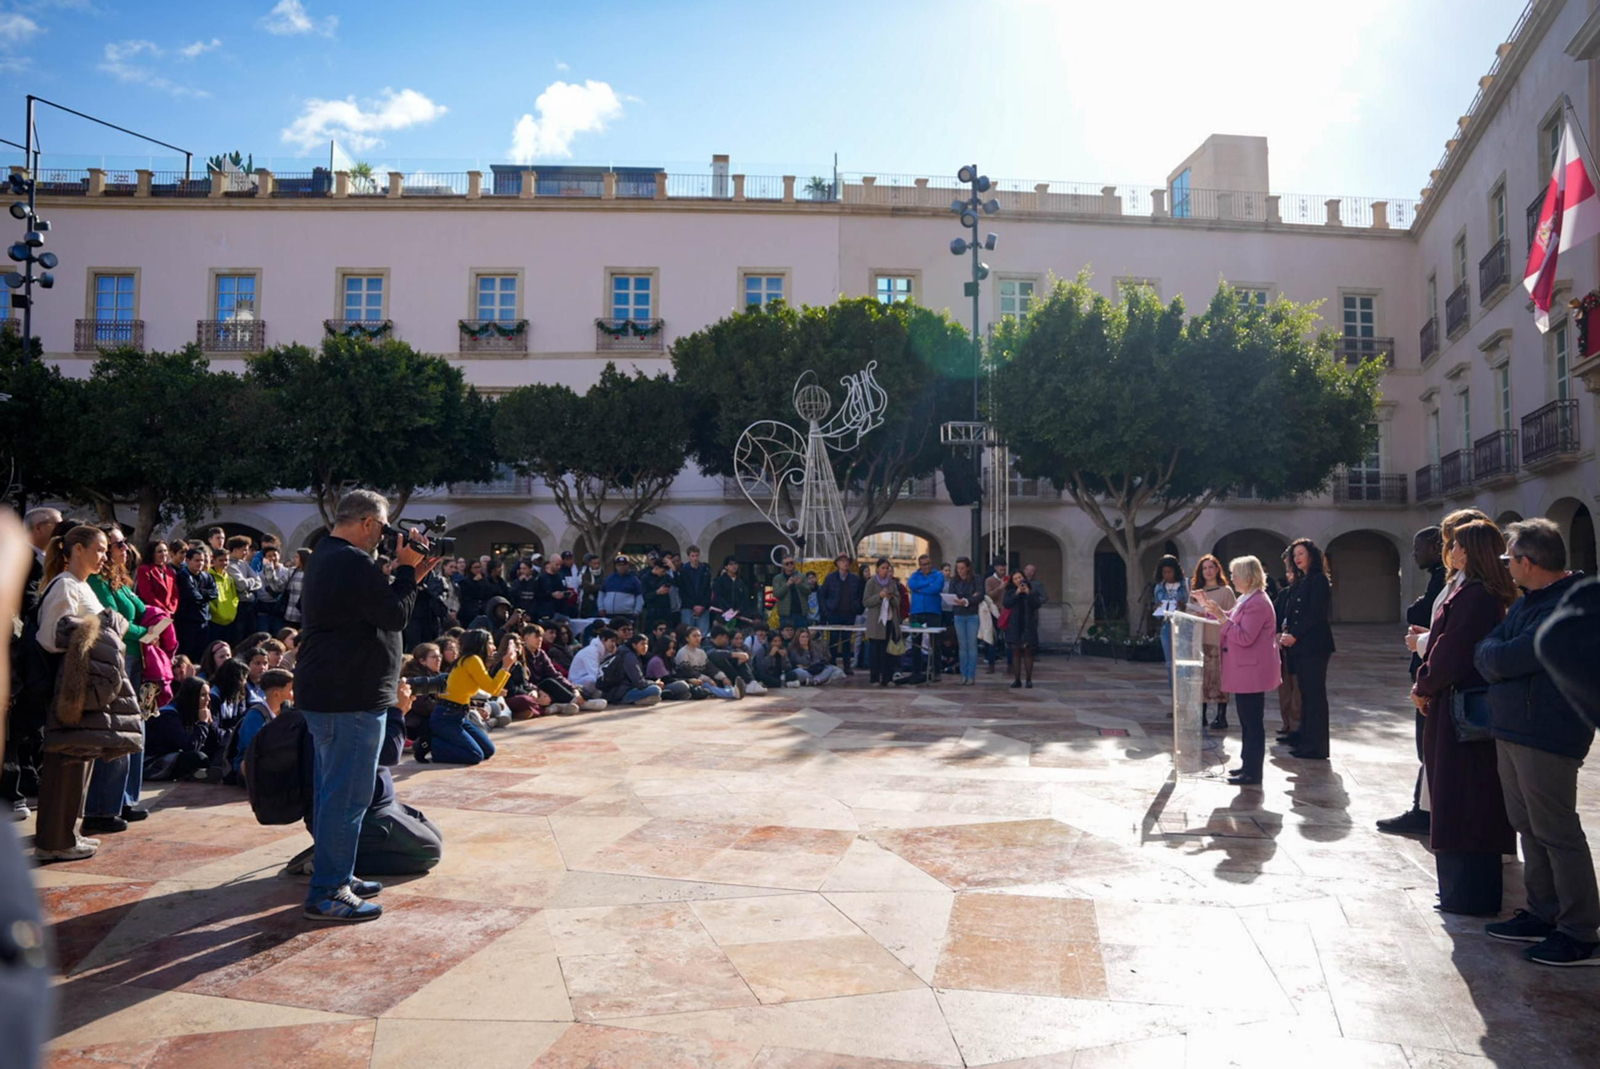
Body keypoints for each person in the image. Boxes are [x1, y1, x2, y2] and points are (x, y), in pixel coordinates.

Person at [293, 489, 437, 923]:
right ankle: (328, 892)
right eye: (384, 527)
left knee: (335, 792)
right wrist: (406, 571)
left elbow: (376, 609)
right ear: (368, 523)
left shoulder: (329, 555)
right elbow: (394, 616)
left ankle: (339, 874)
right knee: (347, 797)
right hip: (349, 698)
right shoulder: (351, 561)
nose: (385, 536)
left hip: (335, 694)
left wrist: (412, 575)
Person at [1475, 518, 1599, 966]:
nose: (1505, 566)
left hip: (1548, 734)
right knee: (1527, 825)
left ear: (1527, 562)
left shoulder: (1569, 605)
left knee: (1557, 831)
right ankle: (1544, 913)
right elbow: (1490, 648)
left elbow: (1513, 655)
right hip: (1513, 729)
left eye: (1509, 559)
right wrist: (1496, 656)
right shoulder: (1529, 601)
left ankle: (1580, 932)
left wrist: (1495, 656)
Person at [1411, 520, 1516, 917]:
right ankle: (1460, 890)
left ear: (1471, 551)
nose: (1450, 551)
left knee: (1463, 797)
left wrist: (1424, 684)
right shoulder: (1474, 591)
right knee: (1461, 795)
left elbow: (1451, 651)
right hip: (1455, 704)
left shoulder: (1475, 596)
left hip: (1460, 709)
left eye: (1456, 545)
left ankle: (1467, 894)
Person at [34, 524, 145, 861]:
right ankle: (55, 841)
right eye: (98, 549)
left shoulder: (80, 585)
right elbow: (50, 637)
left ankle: (68, 835)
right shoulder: (65, 585)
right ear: (77, 550)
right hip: (70, 687)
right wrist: (104, 627)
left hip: (84, 686)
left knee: (78, 760)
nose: (104, 556)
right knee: (65, 763)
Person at [82, 525, 153, 833]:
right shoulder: (96, 582)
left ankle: (123, 799)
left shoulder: (120, 579)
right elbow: (114, 622)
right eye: (118, 544)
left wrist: (156, 622)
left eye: (124, 542)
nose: (126, 548)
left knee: (136, 728)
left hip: (137, 659)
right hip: (118, 659)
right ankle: (102, 807)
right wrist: (148, 632)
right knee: (117, 730)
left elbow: (140, 608)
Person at [1378, 525, 1448, 836]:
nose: (1414, 553)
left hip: (1434, 675)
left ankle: (1425, 812)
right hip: (1427, 671)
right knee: (1426, 748)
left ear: (1435, 547)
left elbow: (1419, 613)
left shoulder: (1443, 578)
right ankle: (1425, 809)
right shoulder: (1440, 577)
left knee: (1428, 747)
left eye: (1418, 548)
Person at [1194, 556, 1278, 786]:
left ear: (1248, 577)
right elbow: (1231, 617)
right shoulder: (1246, 598)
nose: (1232, 578)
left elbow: (1244, 636)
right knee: (1246, 721)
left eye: (1235, 574)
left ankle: (1253, 772)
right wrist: (1209, 607)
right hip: (1245, 670)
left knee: (1252, 722)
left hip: (1252, 671)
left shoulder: (1258, 602)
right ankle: (1247, 765)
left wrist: (1221, 617)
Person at [1278, 538, 1334, 761]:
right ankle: (1304, 738)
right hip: (1301, 647)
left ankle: (1316, 746)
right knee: (1306, 695)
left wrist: (1295, 634)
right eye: (1295, 555)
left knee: (1314, 696)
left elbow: (1316, 614)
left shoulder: (1319, 580)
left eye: (1301, 553)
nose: (1297, 558)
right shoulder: (1303, 580)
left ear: (1312, 555)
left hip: (1314, 646)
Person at [430, 628, 516, 764]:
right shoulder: (471, 660)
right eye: (490, 643)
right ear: (480, 644)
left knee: (488, 750)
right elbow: (493, 689)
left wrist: (506, 663)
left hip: (460, 715)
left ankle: (446, 742)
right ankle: (432, 745)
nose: (493, 647)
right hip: (446, 716)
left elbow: (492, 688)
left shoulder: (471, 660)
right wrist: (506, 666)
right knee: (475, 755)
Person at [1186, 554, 1236, 730]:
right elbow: (1188, 613)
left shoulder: (1225, 591)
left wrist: (1211, 613)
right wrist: (1194, 613)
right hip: (1200, 639)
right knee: (1201, 679)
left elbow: (1232, 614)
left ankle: (1221, 716)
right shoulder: (1196, 593)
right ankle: (1202, 715)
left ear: (1217, 569)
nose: (1208, 571)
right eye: (1204, 568)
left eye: (1211, 567)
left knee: (1219, 679)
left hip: (1218, 639)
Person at [234, 667, 293, 777]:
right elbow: (251, 747)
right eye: (290, 690)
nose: (293, 694)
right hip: (256, 762)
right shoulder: (255, 715)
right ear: (276, 694)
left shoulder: (286, 713)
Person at [818, 552, 864, 675]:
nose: (845, 563)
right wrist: (826, 611)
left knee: (847, 641)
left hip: (849, 614)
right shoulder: (830, 578)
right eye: (842, 561)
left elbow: (860, 595)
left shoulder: (855, 579)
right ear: (837, 563)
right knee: (833, 640)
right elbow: (822, 595)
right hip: (834, 613)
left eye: (847, 561)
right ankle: (833, 664)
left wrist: (857, 607)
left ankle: (847, 665)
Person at [1272, 554, 1301, 742]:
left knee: (1297, 690)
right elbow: (1274, 616)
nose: (1290, 575)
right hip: (1282, 649)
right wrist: (1276, 633)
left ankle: (1295, 727)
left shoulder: (1303, 593)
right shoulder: (1284, 594)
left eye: (1293, 571)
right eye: (1288, 572)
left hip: (1297, 647)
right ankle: (1286, 724)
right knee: (1284, 689)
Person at [863, 557, 902, 687]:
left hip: (890, 621)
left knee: (888, 651)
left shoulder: (892, 583)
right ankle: (874, 678)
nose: (885, 571)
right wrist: (879, 596)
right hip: (876, 622)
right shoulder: (871, 582)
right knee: (875, 652)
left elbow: (898, 601)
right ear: (877, 569)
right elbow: (866, 601)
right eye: (883, 568)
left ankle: (887, 678)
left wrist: (891, 598)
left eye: (887, 568)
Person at [1004, 569, 1046, 688]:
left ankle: (1028, 679)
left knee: (1028, 652)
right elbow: (1007, 603)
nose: (1018, 580)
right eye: (1015, 579)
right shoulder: (1010, 591)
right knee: (1016, 652)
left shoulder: (1031, 589)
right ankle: (1017, 679)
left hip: (1028, 624)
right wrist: (1016, 593)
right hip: (1015, 625)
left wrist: (1028, 593)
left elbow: (1037, 604)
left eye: (1020, 577)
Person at [174, 546, 217, 660]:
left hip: (204, 620)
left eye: (202, 560)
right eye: (197, 560)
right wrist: (204, 594)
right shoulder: (183, 576)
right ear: (188, 560)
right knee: (188, 654)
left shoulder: (207, 576)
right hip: (188, 622)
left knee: (202, 654)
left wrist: (200, 592)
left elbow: (214, 594)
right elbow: (192, 595)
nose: (200, 563)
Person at [1152, 555, 1187, 692]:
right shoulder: (1159, 587)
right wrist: (1157, 608)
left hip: (1183, 625)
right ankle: (1174, 696)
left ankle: (1184, 693)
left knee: (1183, 661)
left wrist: (1183, 606)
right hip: (1167, 625)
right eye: (1164, 572)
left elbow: (1191, 606)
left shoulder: (1185, 585)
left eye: (1170, 572)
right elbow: (1157, 610)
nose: (1167, 575)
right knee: (1169, 663)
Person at [675, 627, 741, 698]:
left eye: (699, 636)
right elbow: (687, 672)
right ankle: (731, 693)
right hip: (689, 681)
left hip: (702, 680)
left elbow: (710, 668)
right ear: (687, 638)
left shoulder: (701, 652)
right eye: (694, 636)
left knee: (719, 682)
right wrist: (707, 679)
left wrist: (723, 678)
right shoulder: (683, 652)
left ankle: (730, 690)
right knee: (708, 686)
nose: (697, 638)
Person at [947, 557, 983, 685]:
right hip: (959, 614)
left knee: (971, 645)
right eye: (958, 568)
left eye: (962, 568)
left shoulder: (976, 579)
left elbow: (979, 595)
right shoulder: (954, 581)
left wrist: (966, 600)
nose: (960, 571)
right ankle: (963, 674)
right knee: (962, 646)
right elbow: (952, 595)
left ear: (968, 568)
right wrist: (969, 597)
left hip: (972, 614)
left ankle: (971, 674)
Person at [607, 632, 664, 705]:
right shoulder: (630, 657)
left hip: (623, 690)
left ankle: (642, 699)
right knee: (655, 689)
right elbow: (639, 682)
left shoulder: (632, 655)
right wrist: (654, 683)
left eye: (646, 644)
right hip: (621, 693)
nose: (645, 647)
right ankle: (629, 700)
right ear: (634, 645)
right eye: (642, 644)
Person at [135, 539, 179, 617]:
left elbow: (175, 594)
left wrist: (172, 608)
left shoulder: (170, 572)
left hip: (169, 614)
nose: (164, 554)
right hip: (153, 613)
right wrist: (163, 609)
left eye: (165, 551)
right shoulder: (144, 570)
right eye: (159, 552)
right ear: (152, 554)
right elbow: (147, 594)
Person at [981, 559, 1009, 673]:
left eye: (1004, 567)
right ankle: (991, 663)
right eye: (1000, 567)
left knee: (1009, 639)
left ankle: (1011, 664)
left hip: (1006, 612)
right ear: (996, 568)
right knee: (992, 639)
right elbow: (988, 595)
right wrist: (1000, 588)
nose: (1003, 570)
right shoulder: (989, 580)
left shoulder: (1008, 579)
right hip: (993, 612)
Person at [679, 545, 713, 634]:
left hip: (703, 607)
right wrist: (693, 605)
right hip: (688, 606)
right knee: (687, 632)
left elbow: (708, 590)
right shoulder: (683, 571)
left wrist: (703, 605)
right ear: (689, 557)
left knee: (703, 633)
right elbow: (682, 590)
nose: (695, 558)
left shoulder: (705, 570)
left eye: (697, 555)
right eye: (693, 556)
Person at [712, 557, 754, 626]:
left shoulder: (741, 582)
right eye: (731, 564)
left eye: (735, 564)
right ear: (726, 567)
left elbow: (744, 599)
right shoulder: (720, 581)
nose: (734, 566)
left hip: (738, 616)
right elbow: (719, 597)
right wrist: (728, 609)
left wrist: (739, 610)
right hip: (722, 615)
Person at [772, 555, 809, 631]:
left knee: (801, 633)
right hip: (786, 614)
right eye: (787, 564)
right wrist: (787, 585)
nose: (790, 565)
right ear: (783, 566)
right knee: (787, 635)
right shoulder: (778, 578)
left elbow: (808, 591)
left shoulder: (802, 576)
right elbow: (777, 594)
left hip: (800, 613)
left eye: (791, 563)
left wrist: (800, 584)